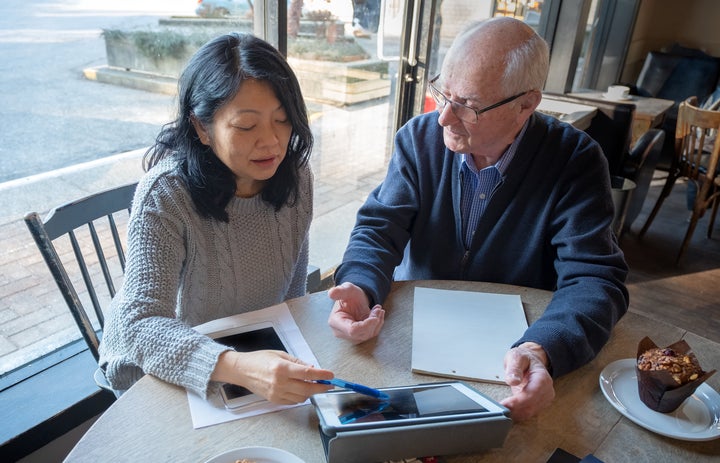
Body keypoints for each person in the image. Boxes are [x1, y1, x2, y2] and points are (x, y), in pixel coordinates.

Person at [327, 17, 629, 421]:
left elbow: (595, 278)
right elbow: (379, 228)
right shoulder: (419, 140)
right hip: (415, 330)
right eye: (442, 93)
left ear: (526, 104)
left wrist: (544, 349)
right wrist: (360, 287)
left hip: (513, 350)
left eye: (467, 105)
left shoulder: (575, 159)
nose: (443, 118)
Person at [99, 32, 334, 403]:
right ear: (201, 128)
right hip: (161, 365)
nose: (272, 142)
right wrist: (238, 366)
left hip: (251, 346)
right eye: (246, 126)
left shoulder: (296, 176)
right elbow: (138, 326)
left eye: (283, 119)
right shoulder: (166, 194)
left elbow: (291, 289)